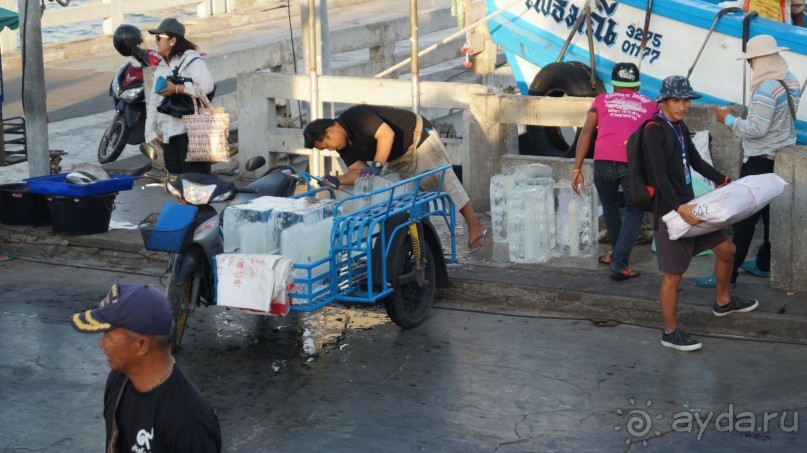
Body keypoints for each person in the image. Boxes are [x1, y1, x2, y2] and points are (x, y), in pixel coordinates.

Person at [644, 76, 759, 352]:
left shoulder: (679, 126)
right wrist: (678, 207)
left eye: (686, 100)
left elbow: (695, 161)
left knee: (727, 250)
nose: (683, 106)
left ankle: (723, 302)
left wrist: (725, 181)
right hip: (670, 213)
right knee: (673, 275)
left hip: (691, 207)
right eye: (677, 100)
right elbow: (657, 176)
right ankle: (670, 332)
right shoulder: (653, 130)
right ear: (663, 102)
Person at [303, 105, 488, 254]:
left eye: (327, 145)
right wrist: (337, 179)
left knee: (444, 181)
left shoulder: (356, 116)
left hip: (418, 139)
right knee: (403, 200)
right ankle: (424, 245)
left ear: (331, 130)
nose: (329, 150)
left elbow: (386, 134)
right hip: (394, 158)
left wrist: (376, 164)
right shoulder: (343, 147)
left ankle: (474, 225)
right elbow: (359, 173)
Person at [696, 35, 801, 289]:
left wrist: (726, 119)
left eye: (751, 60)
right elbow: (775, 117)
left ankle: (727, 275)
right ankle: (764, 264)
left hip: (758, 160)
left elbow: (757, 128)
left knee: (744, 221)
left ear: (760, 60)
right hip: (781, 158)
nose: (751, 65)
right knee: (770, 219)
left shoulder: (766, 87)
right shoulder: (790, 80)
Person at [71, 282, 221, 452]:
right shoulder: (118, 380)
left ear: (141, 345)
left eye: (108, 335)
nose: (101, 343)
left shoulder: (190, 424)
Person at [571, 62, 658, 281]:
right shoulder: (649, 105)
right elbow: (655, 137)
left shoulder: (601, 100)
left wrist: (576, 168)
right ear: (637, 86)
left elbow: (587, 132)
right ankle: (619, 263)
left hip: (602, 161)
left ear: (614, 85)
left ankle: (617, 256)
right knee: (635, 210)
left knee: (609, 206)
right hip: (631, 162)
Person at [145, 17, 215, 175]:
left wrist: (177, 88)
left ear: (172, 40)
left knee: (196, 183)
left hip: (191, 133)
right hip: (169, 134)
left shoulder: (192, 60)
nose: (156, 42)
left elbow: (207, 85)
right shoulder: (162, 68)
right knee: (175, 182)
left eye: (159, 37)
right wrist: (149, 132)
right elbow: (153, 102)